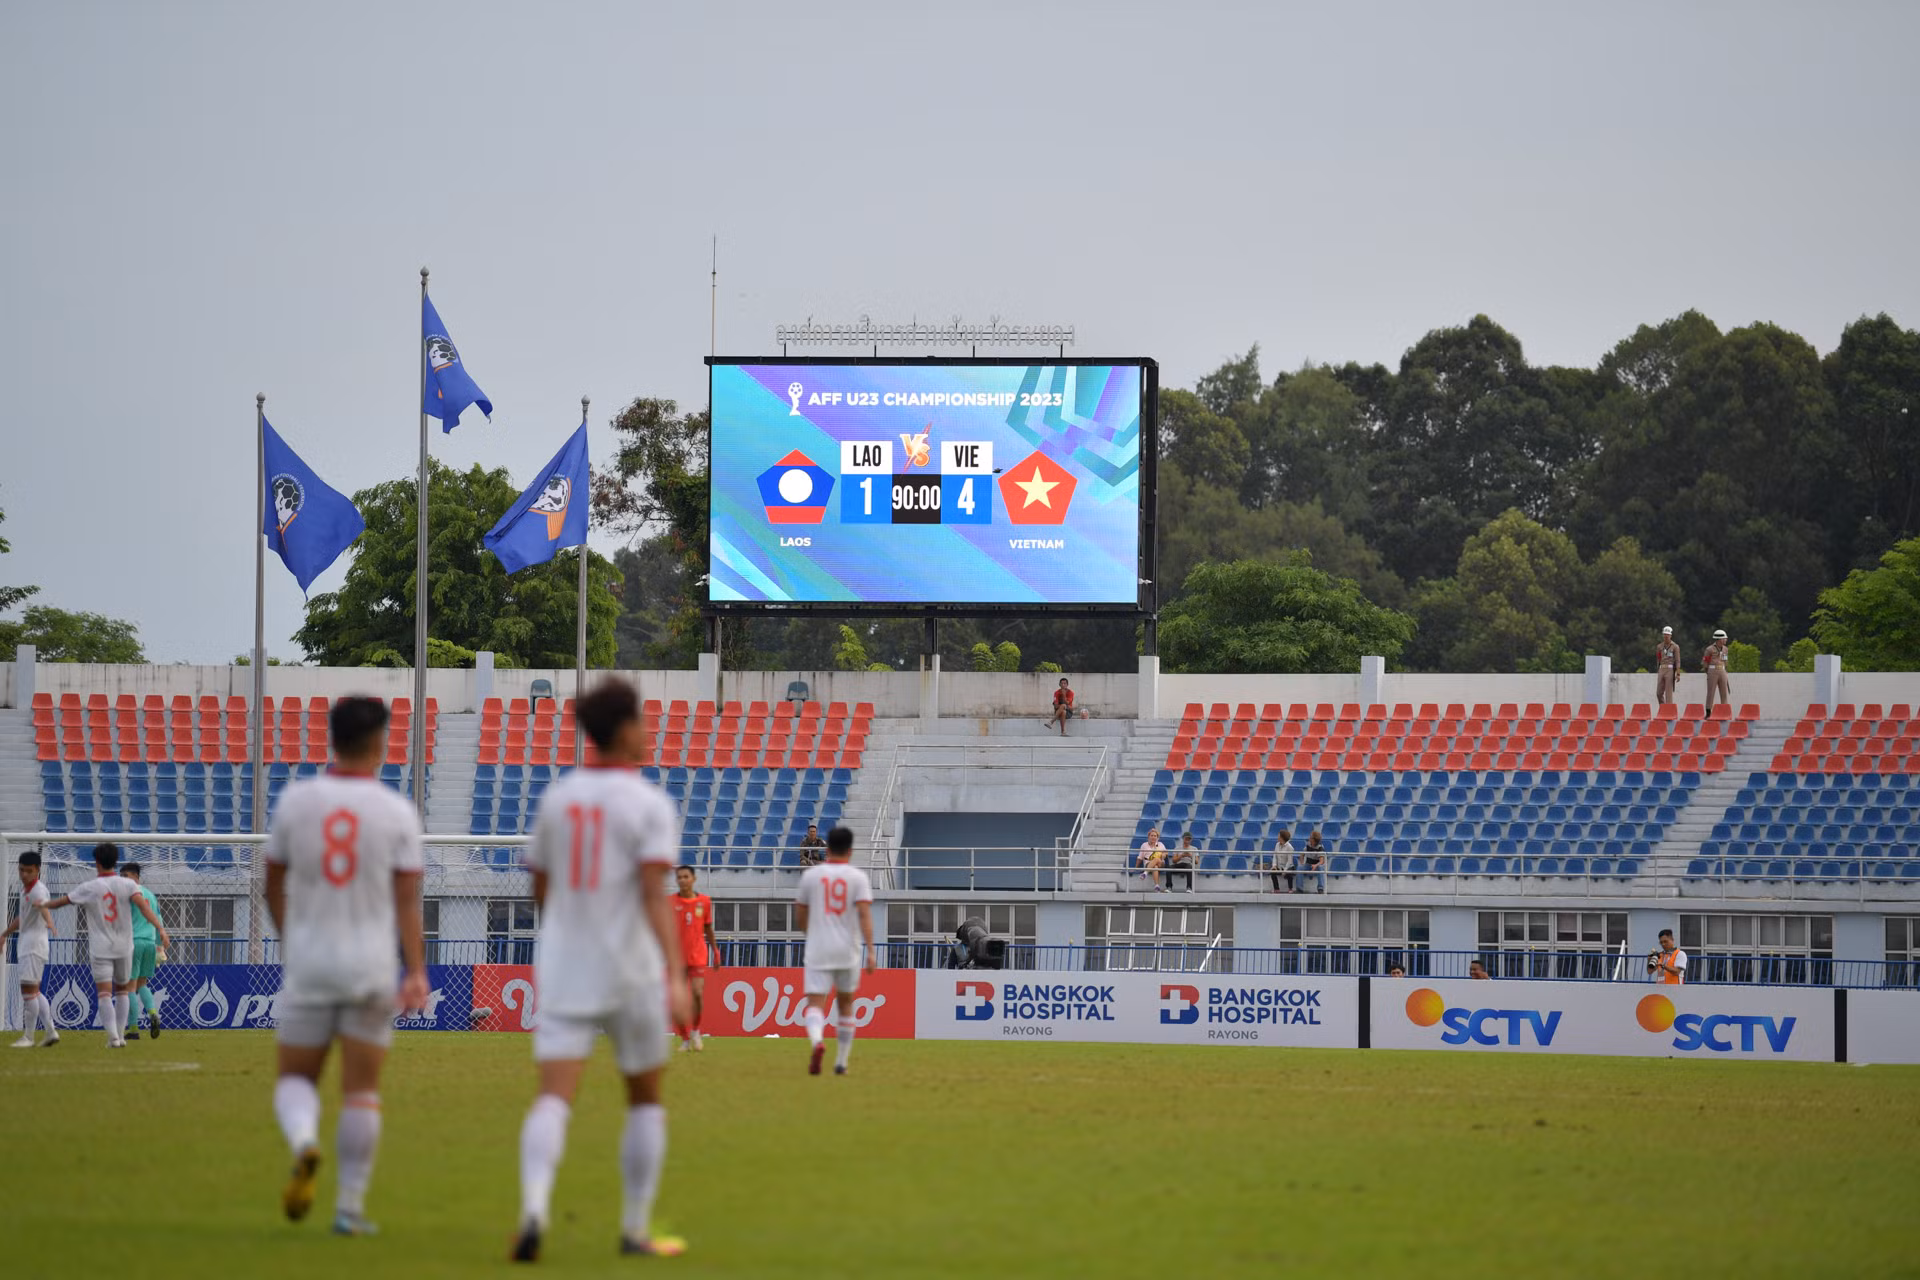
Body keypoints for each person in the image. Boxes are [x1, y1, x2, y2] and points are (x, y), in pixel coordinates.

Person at [512, 680, 690, 1262]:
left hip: (566, 967)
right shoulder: (649, 805)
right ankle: (635, 1228)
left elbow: (540, 887)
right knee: (644, 1099)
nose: (649, 731)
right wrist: (676, 975)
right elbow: (652, 894)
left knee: (553, 1097)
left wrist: (567, 932)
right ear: (624, 729)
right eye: (642, 720)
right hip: (630, 969)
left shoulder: (558, 799)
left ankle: (534, 1209)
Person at [264, 696, 428, 1237]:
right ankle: (349, 1209)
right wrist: (417, 970)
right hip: (369, 967)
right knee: (361, 1092)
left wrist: (294, 940)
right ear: (382, 743)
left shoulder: (295, 802)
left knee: (296, 1080)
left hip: (310, 963)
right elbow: (408, 902)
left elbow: (270, 885)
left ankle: (306, 1143)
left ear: (331, 739)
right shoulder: (397, 812)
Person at [43, 842, 169, 1049]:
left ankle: (120, 1035)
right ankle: (128, 1029)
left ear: (97, 862)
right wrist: (161, 932)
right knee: (129, 989)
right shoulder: (131, 888)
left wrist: (40, 905)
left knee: (104, 993)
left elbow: (62, 902)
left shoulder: (90, 886)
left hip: (103, 946)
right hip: (130, 944)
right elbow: (147, 911)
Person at [796, 826, 875, 1076]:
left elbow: (800, 915)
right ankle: (841, 1062)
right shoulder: (858, 878)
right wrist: (871, 950)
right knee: (845, 1005)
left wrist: (812, 934)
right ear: (850, 851)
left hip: (819, 948)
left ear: (826, 849)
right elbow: (864, 915)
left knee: (815, 1004)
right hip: (847, 949)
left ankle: (817, 1042)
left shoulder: (811, 876)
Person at [2, 850, 57, 1048]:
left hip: (34, 946)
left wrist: (50, 921)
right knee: (34, 991)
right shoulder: (25, 890)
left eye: (29, 871)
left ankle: (29, 1037)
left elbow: (43, 906)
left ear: (38, 871)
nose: (24, 874)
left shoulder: (38, 891)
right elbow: (22, 918)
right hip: (29, 943)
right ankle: (50, 1031)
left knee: (28, 991)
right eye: (21, 870)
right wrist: (5, 934)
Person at [673, 866, 720, 1052]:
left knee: (697, 994)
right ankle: (684, 1038)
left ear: (694, 878)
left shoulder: (704, 902)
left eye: (686, 876)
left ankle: (695, 1031)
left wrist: (715, 950)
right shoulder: (670, 902)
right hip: (676, 958)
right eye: (679, 877)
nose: (683, 880)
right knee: (676, 1001)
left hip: (698, 955)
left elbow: (708, 928)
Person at [119, 862, 163, 1040]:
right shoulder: (151, 896)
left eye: (126, 877)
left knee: (129, 986)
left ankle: (134, 1029)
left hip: (134, 942)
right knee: (142, 984)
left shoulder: (128, 895)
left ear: (136, 877)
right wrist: (159, 945)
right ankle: (153, 1013)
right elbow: (158, 919)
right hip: (150, 942)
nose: (123, 881)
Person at [1702, 629, 1732, 714]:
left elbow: (1725, 660)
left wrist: (1725, 670)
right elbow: (1705, 661)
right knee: (1711, 691)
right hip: (1712, 670)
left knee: (1724, 692)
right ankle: (1708, 711)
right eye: (1724, 638)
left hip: (1722, 670)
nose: (1726, 640)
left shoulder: (1725, 649)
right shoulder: (1709, 649)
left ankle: (1724, 711)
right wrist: (1708, 671)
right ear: (1719, 639)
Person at [1134, 827, 1167, 892]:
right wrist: (1136, 867)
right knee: (1155, 867)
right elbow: (1140, 857)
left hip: (1160, 862)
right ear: (1148, 836)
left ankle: (1145, 872)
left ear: (1157, 837)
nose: (1153, 837)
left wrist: (1164, 854)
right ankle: (1157, 886)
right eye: (1151, 835)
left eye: (1155, 836)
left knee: (1157, 859)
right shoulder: (1144, 845)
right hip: (1148, 863)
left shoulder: (1160, 844)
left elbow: (1166, 852)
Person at [1655, 625, 1681, 706]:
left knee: (1668, 694)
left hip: (1670, 669)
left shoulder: (1675, 647)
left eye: (1667, 634)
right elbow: (1658, 658)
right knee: (1659, 693)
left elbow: (1677, 660)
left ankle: (1669, 711)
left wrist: (1678, 673)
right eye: (1664, 634)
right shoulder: (1659, 646)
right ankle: (1663, 708)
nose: (1666, 636)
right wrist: (1658, 669)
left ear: (1670, 635)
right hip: (1662, 668)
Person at [1265, 829, 1297, 893]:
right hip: (1279, 866)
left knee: (1289, 873)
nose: (1277, 837)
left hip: (1288, 866)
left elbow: (1289, 861)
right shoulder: (1277, 844)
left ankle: (1290, 888)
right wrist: (1274, 865)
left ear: (1282, 838)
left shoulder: (1290, 847)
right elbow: (1275, 856)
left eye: (1279, 836)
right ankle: (1276, 889)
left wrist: (1284, 870)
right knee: (1272, 872)